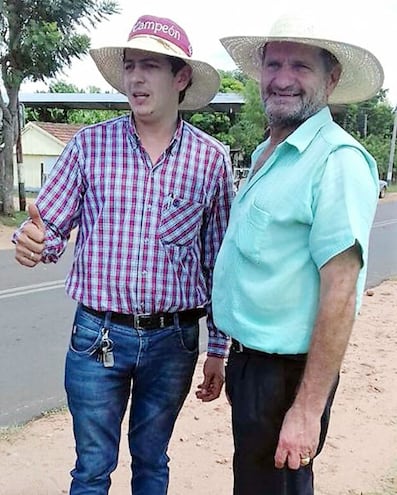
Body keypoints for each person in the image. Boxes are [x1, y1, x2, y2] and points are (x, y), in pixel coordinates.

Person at [13, 14, 234, 495]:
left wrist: (218, 348)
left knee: (153, 462)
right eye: (130, 65)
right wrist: (32, 243)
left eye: (150, 66)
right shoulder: (90, 146)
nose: (135, 77)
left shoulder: (211, 160)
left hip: (174, 341)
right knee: (91, 469)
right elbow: (47, 228)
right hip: (97, 336)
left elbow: (217, 262)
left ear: (180, 78)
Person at [211, 12, 384, 495]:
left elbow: (340, 292)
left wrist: (307, 410)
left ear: (331, 79)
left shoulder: (338, 161)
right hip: (251, 367)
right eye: (273, 63)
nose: (282, 79)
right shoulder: (270, 152)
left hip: (287, 375)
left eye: (301, 67)